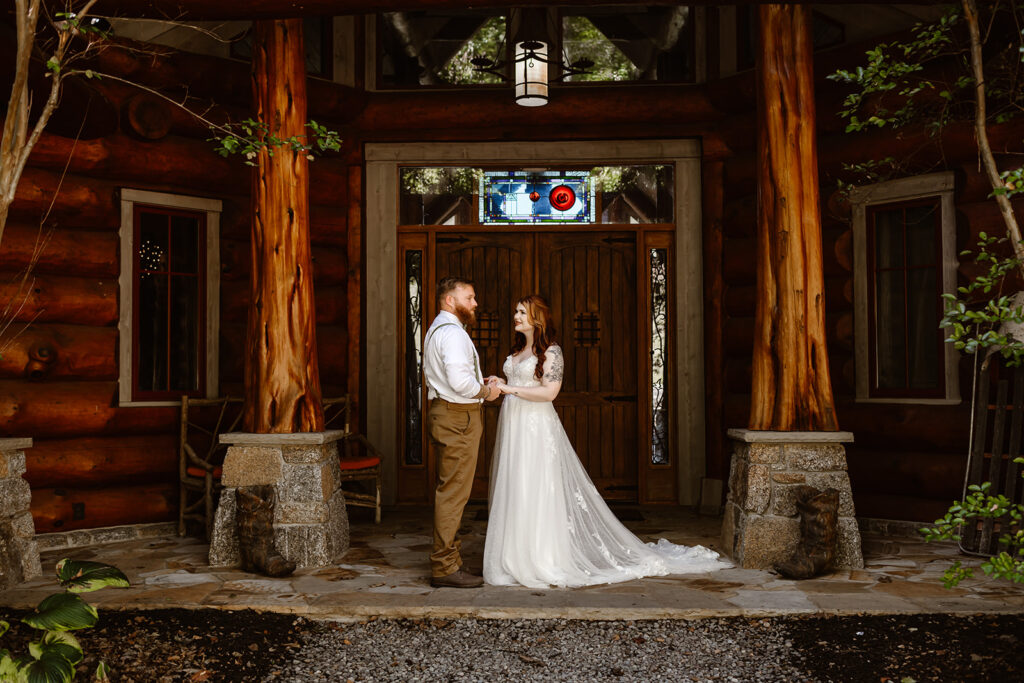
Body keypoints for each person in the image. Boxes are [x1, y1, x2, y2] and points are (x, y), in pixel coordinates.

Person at [483, 295, 729, 588]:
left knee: (535, 485)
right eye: (515, 311)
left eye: (522, 312)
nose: (516, 316)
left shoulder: (552, 352)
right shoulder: (517, 352)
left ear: (538, 317)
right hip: (514, 424)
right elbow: (520, 383)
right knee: (515, 483)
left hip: (536, 427)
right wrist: (499, 380)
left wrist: (509, 389)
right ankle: (513, 557)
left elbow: (549, 393)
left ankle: (542, 556)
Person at [423, 277, 500, 588]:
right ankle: (444, 567)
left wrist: (480, 382)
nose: (475, 303)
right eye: (469, 297)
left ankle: (450, 560)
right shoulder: (452, 334)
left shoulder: (438, 329)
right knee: (454, 494)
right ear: (449, 301)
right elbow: (459, 382)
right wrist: (486, 392)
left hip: (447, 413)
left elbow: (455, 376)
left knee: (451, 490)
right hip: (457, 417)